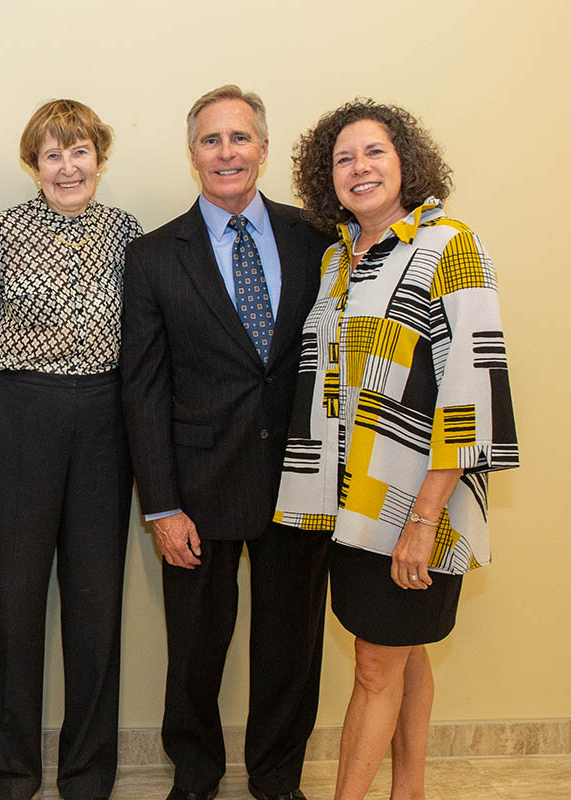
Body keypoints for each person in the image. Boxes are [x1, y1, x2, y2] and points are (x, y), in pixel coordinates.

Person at [274, 100, 519, 800]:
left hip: (417, 504)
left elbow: (472, 390)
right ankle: (407, 789)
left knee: (375, 667)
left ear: (405, 160)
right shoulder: (336, 260)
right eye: (344, 159)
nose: (360, 168)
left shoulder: (450, 246)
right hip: (356, 505)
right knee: (398, 654)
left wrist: (423, 519)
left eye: (374, 152)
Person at [120, 85, 332, 800]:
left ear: (263, 150)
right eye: (211, 141)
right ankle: (197, 776)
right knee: (195, 654)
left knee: (291, 651)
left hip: (299, 481)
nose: (226, 152)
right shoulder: (152, 257)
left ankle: (277, 779)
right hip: (198, 489)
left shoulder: (317, 237)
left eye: (239, 138)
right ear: (191, 156)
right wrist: (162, 506)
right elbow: (143, 390)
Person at [0, 98, 142, 800]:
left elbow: (141, 335)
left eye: (79, 151)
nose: (68, 166)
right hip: (15, 415)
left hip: (104, 420)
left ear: (99, 156)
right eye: (52, 154)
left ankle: (88, 773)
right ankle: (7, 773)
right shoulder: (4, 230)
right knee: (11, 598)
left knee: (96, 602)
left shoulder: (127, 232)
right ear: (32, 164)